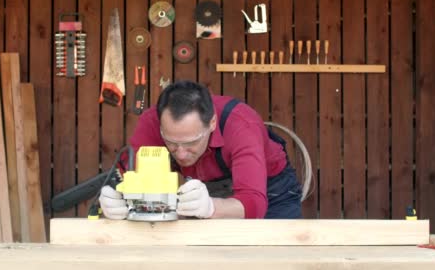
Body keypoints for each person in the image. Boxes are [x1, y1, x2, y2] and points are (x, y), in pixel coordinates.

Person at [99, 80, 302, 219]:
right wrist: (118, 201)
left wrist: (212, 208)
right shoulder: (151, 123)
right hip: (206, 191)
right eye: (171, 142)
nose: (180, 153)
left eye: (190, 143)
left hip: (271, 190)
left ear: (212, 123)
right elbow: (127, 176)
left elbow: (254, 202)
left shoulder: (241, 126)